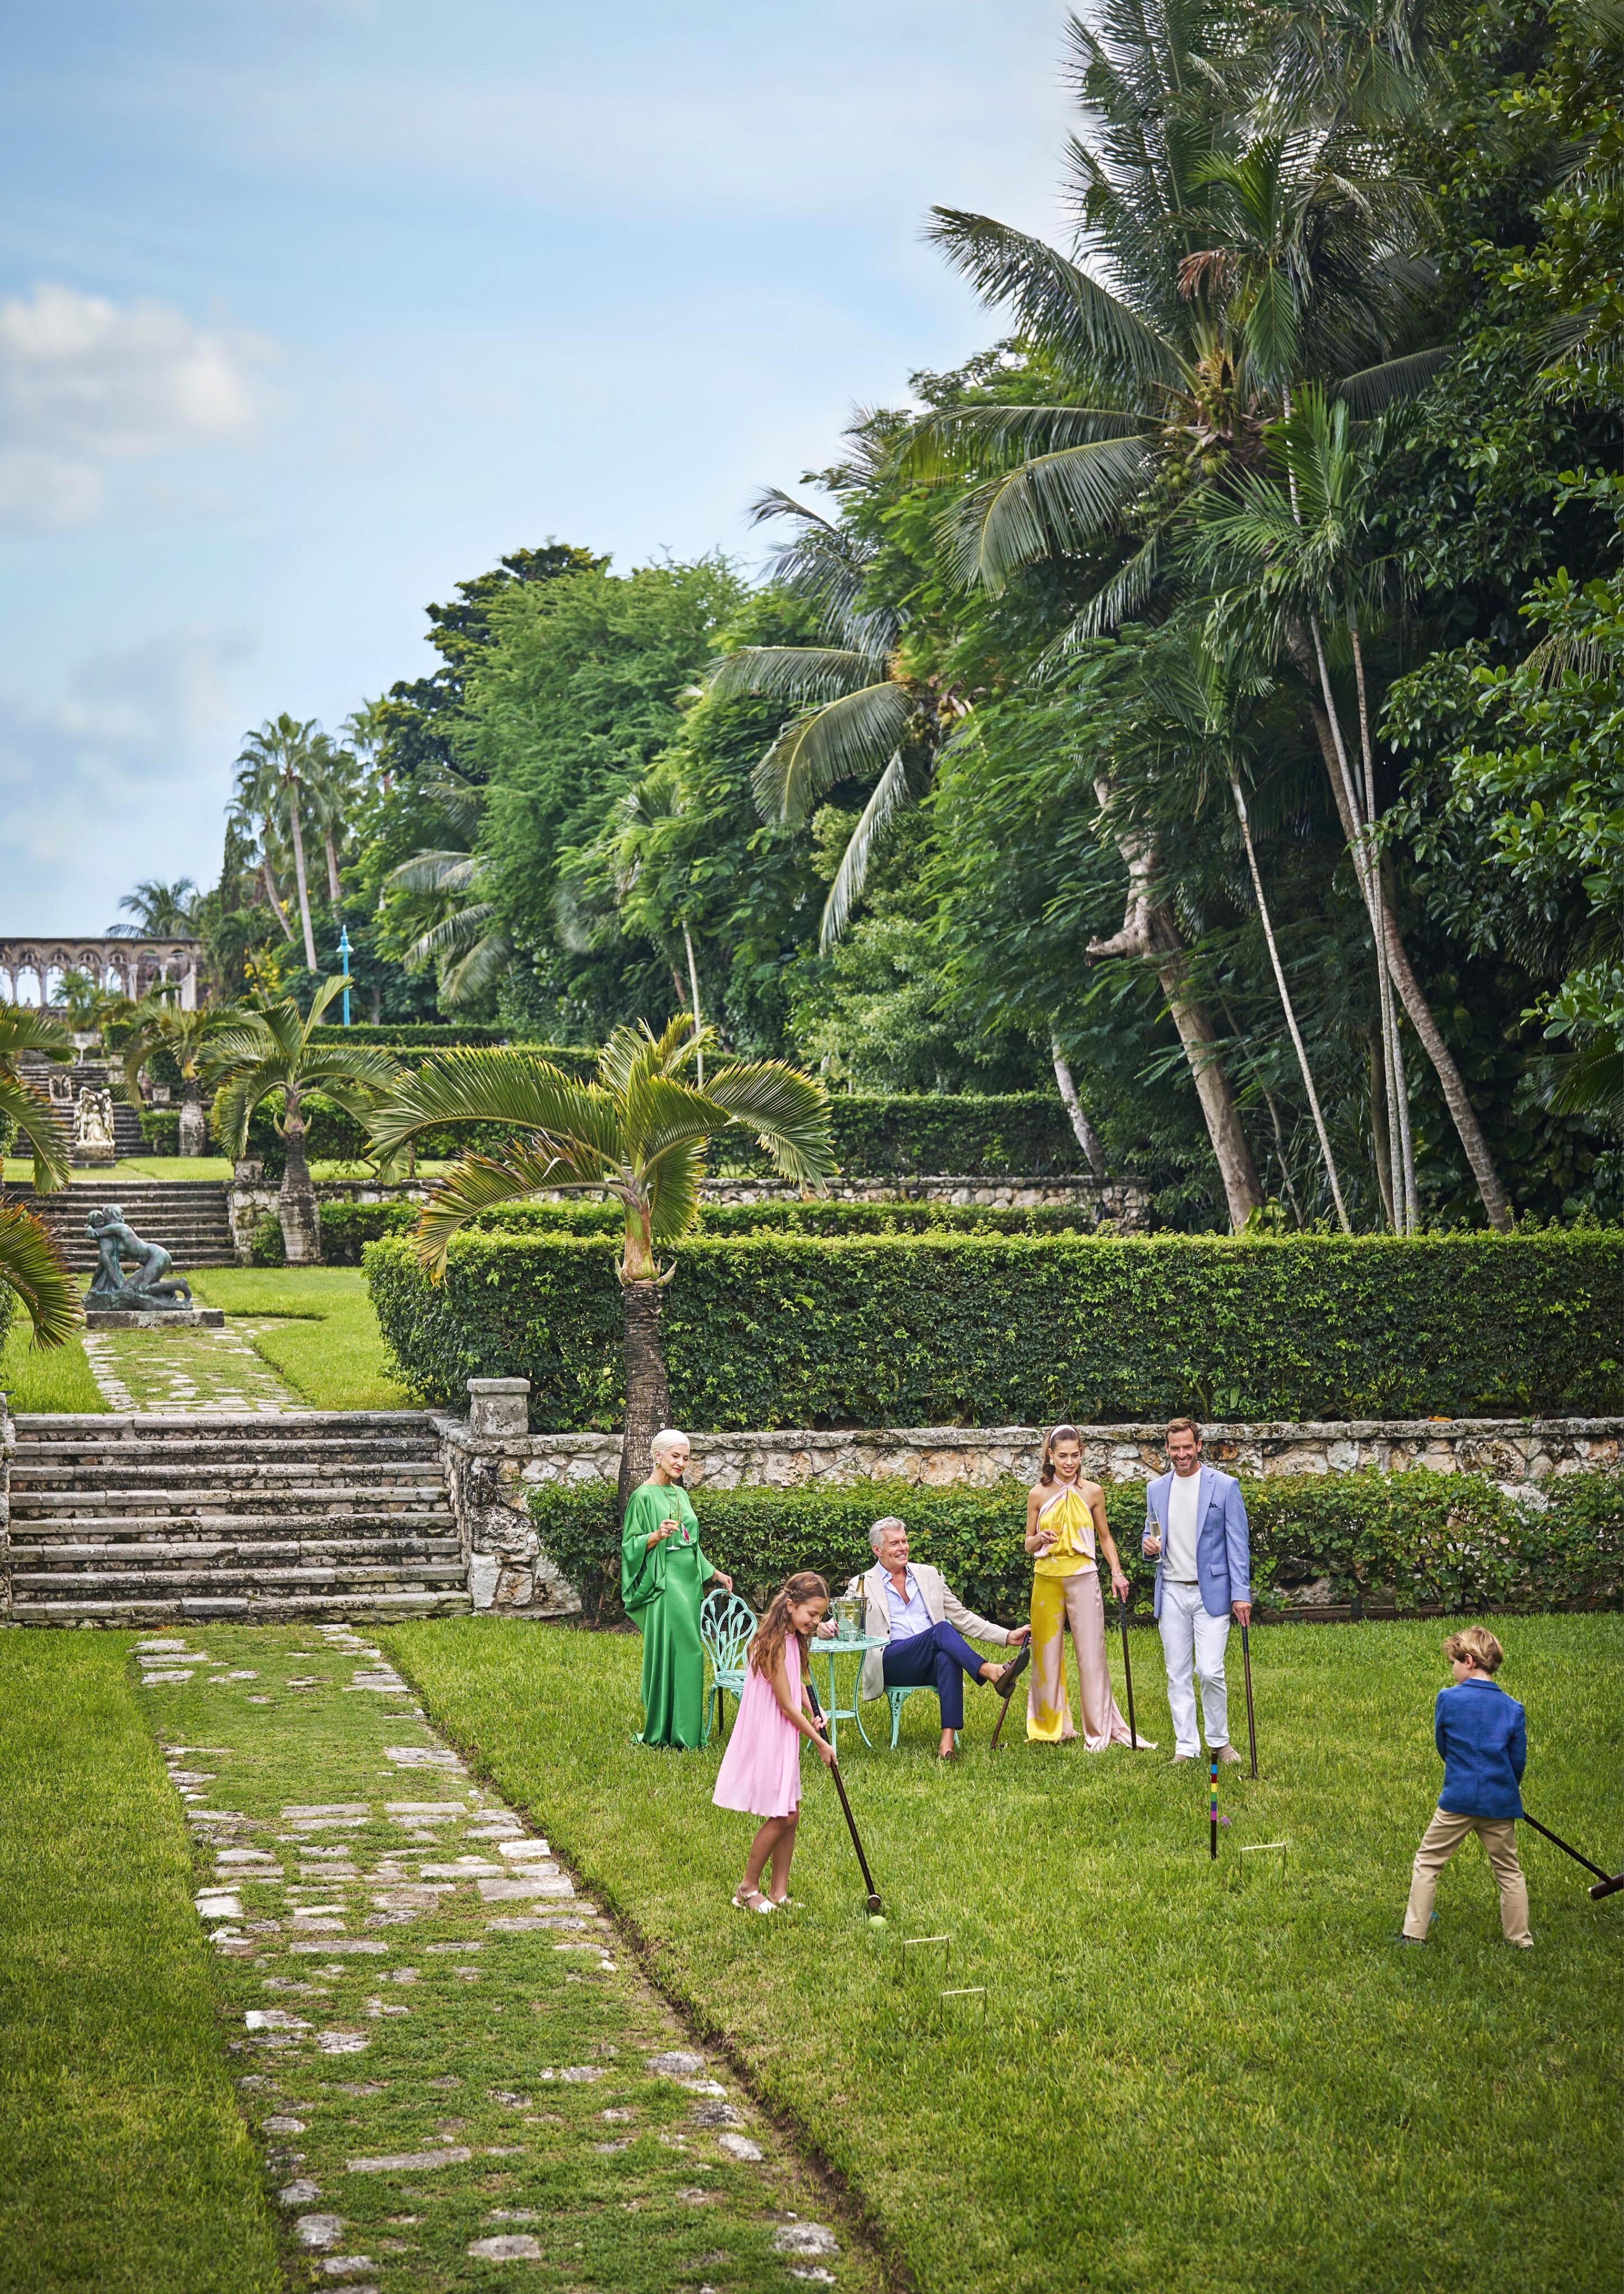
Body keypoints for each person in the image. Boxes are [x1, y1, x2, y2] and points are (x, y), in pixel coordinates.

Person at [837, 1516, 1029, 1760]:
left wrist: (1007, 1635)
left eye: (905, 1541)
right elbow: (846, 1618)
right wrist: (827, 1627)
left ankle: (946, 1744)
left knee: (946, 1656)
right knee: (941, 1631)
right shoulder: (863, 1583)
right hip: (892, 1660)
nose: (903, 1548)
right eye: (895, 1543)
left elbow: (961, 1616)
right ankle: (991, 1672)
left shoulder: (927, 1575)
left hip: (929, 1659)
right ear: (878, 1549)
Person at [1399, 1626, 1532, 1948]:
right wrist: (1503, 1788)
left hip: (1456, 1800)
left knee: (1428, 1862)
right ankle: (1520, 1940)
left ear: (1469, 1661)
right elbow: (1517, 1762)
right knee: (1509, 1871)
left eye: (1454, 1663)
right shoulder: (1513, 1709)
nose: (1453, 1669)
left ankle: (1414, 1935)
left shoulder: (1448, 1698)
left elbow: (1442, 1746)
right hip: (1499, 1802)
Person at [713, 1571, 836, 1913]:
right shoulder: (775, 1643)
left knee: (791, 1814)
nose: (816, 1621)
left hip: (785, 1732)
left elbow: (797, 1685)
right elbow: (784, 1703)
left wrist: (816, 1709)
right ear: (792, 1605)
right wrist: (821, 1743)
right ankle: (747, 1890)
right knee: (781, 1816)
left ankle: (779, 1892)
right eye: (812, 1614)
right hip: (771, 1733)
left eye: (820, 1615)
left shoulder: (793, 1638)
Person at [1023, 1424, 1151, 1748]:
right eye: (1062, 1456)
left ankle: (1098, 1731)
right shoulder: (1037, 1494)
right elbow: (1028, 1543)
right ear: (1050, 1455)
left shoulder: (1093, 1492)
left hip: (1084, 1578)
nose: (1069, 1462)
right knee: (1045, 1655)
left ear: (1082, 1455)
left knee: (1092, 1656)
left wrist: (1117, 1572)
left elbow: (1105, 1537)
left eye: (1075, 1456)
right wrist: (1039, 1538)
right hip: (1046, 1579)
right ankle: (1049, 1729)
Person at [1141, 1417, 1251, 1765]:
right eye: (1175, 1448)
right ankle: (1186, 1746)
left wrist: (1241, 1593)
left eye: (1188, 1447)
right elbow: (1150, 1533)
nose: (1181, 1454)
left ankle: (1220, 1742)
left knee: (1209, 1670)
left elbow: (1238, 1544)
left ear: (1199, 1446)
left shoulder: (1225, 1486)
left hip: (1212, 1593)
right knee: (1177, 1673)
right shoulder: (1156, 1489)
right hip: (1171, 1591)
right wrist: (1147, 1545)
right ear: (1168, 1449)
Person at [619, 1428, 732, 1751]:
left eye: (686, 1458)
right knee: (681, 1650)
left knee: (689, 1652)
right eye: (675, 1456)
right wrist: (655, 1536)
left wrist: (715, 1574)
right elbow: (630, 1545)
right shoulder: (642, 1496)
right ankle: (669, 1732)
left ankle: (686, 1732)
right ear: (657, 1455)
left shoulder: (682, 1495)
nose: (681, 1463)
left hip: (688, 1582)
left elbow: (692, 1544)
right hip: (664, 1582)